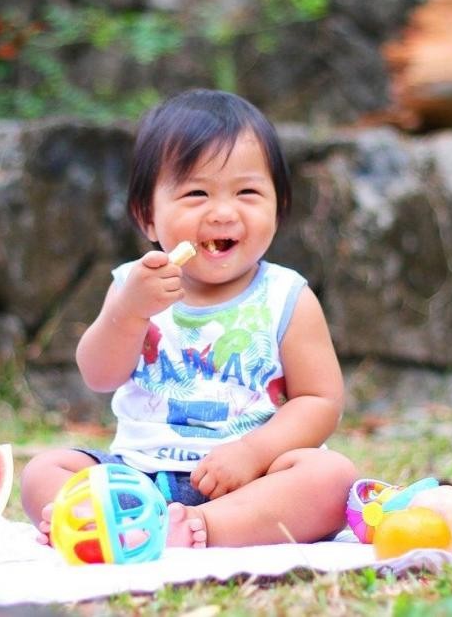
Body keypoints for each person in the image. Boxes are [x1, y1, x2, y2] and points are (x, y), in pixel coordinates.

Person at [21, 89, 357, 549]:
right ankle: (112, 523)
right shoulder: (132, 286)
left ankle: (206, 528)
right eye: (196, 193)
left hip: (249, 480)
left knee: (331, 477)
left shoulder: (286, 297)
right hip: (138, 477)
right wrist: (129, 312)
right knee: (44, 472)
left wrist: (252, 452)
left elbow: (319, 400)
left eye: (248, 192)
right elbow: (99, 375)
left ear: (277, 209)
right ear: (148, 218)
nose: (222, 212)